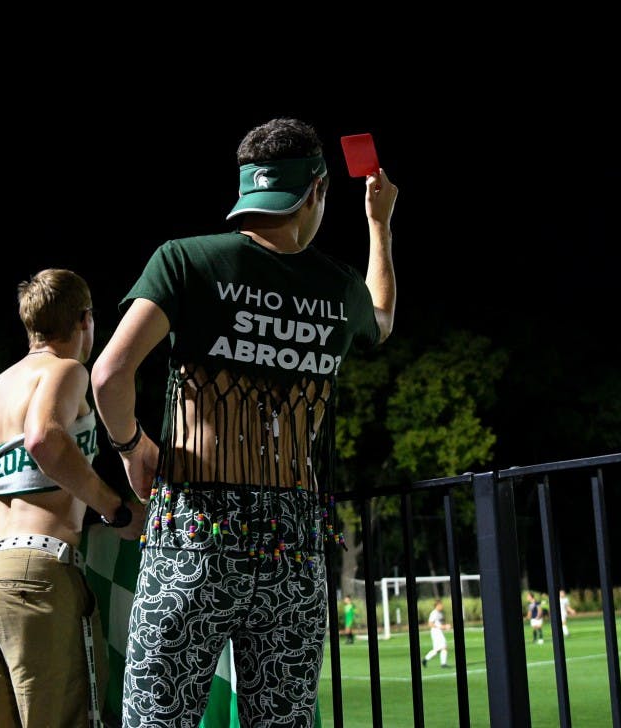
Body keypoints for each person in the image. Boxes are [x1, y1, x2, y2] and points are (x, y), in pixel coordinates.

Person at [90, 117, 397, 727]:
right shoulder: (337, 290)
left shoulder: (185, 261)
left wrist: (131, 447)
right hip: (291, 542)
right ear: (314, 192)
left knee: (159, 717)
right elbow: (382, 317)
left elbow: (108, 375)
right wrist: (379, 225)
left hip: (193, 534)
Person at [0, 268, 145, 727]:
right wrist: (113, 509)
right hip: (38, 574)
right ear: (85, 319)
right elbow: (44, 440)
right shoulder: (67, 370)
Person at [421, 600, 451, 668]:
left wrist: (445, 627)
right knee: (444, 647)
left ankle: (425, 660)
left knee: (437, 649)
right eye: (441, 605)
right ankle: (443, 664)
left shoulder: (440, 613)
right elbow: (430, 624)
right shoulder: (434, 613)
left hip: (439, 632)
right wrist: (442, 627)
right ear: (437, 605)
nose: (442, 606)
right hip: (436, 632)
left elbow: (440, 624)